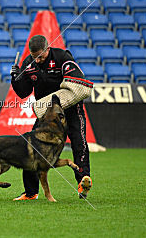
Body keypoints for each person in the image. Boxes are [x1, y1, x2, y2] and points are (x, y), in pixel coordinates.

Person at [10, 35, 93, 200]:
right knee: (32, 147)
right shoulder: (29, 63)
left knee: (79, 141)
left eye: (41, 56)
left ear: (48, 49)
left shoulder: (62, 57)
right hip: (47, 114)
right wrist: (15, 78)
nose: (38, 60)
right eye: (35, 57)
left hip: (71, 108)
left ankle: (83, 181)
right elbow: (23, 92)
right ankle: (30, 192)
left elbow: (78, 81)